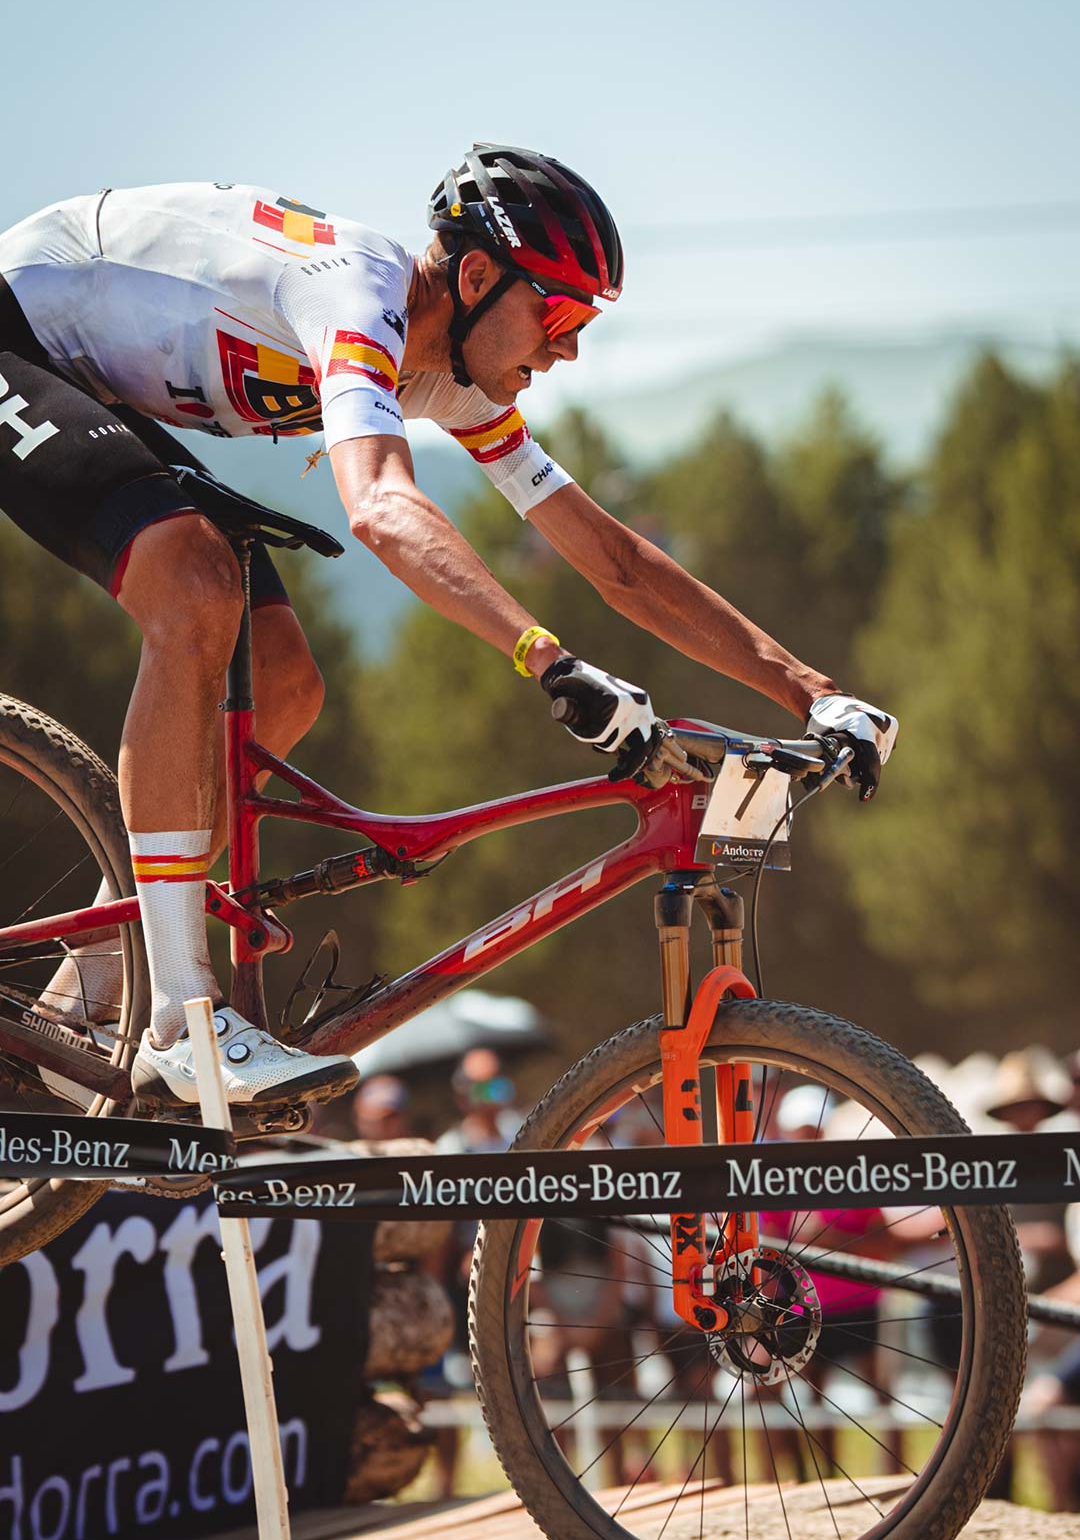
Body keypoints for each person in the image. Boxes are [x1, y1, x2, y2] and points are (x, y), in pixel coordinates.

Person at [0, 146, 898, 1108]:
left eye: (583, 325)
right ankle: (179, 1013)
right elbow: (381, 504)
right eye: (558, 315)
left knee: (286, 681)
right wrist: (548, 662)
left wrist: (815, 691)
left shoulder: (448, 374)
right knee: (196, 588)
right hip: (17, 335)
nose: (567, 351)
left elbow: (616, 562)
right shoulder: (355, 296)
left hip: (99, 388)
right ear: (475, 277)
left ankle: (94, 986)